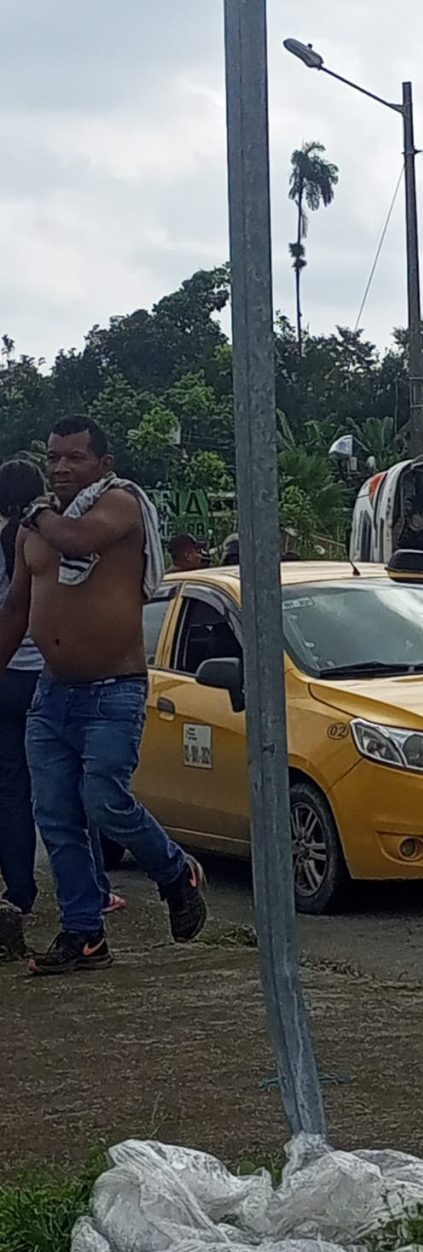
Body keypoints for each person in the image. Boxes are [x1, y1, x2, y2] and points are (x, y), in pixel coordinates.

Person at [0, 416, 207, 976]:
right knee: (57, 817)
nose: (62, 467)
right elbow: (18, 608)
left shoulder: (119, 506)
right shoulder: (30, 533)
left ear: (103, 464)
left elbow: (77, 540)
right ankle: (84, 933)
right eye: (53, 458)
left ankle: (175, 872)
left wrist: (36, 510)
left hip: (113, 690)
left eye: (74, 458)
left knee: (104, 801)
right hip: (52, 694)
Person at [0, 459, 46, 956]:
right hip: (51, 671)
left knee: (11, 786)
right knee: (63, 787)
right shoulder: (44, 536)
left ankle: (20, 892)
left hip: (8, 672)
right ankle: (90, 890)